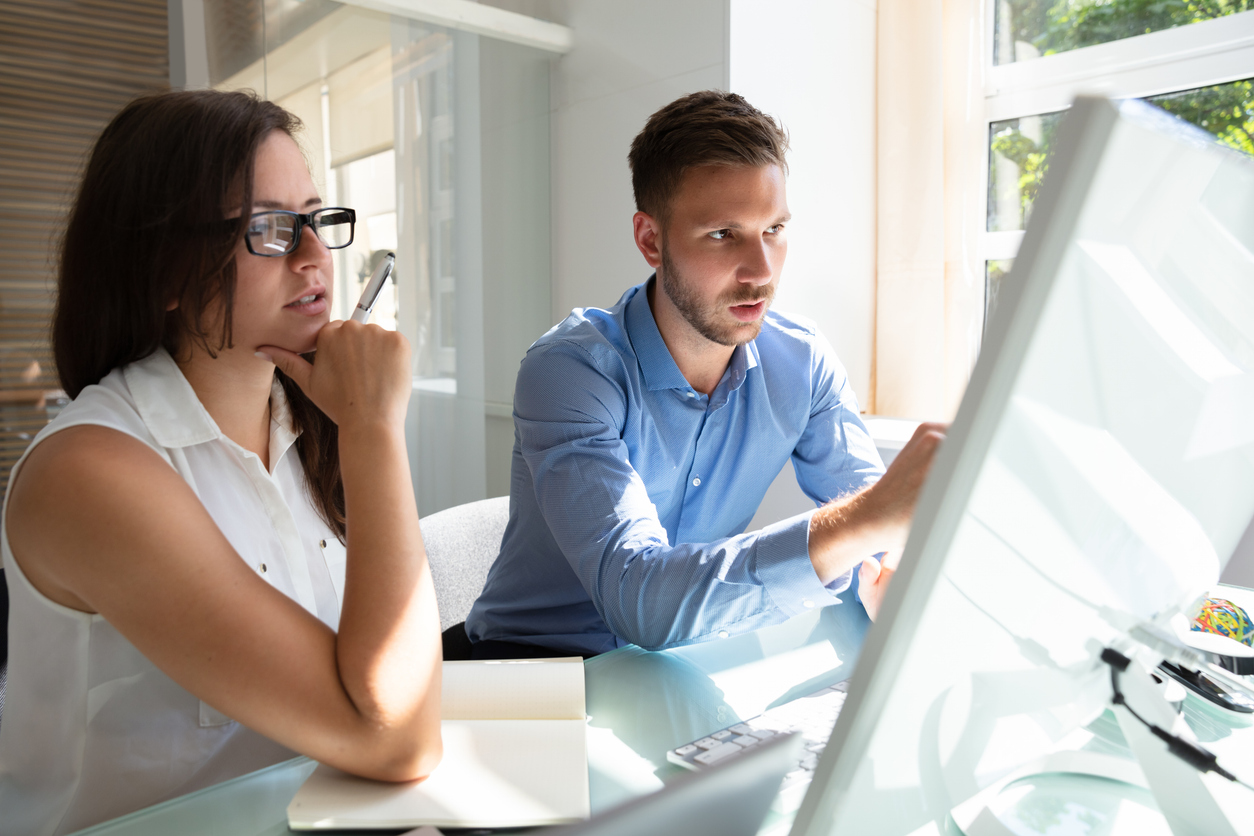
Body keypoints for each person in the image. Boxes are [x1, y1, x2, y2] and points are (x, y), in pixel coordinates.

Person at [0, 90, 442, 835]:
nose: (314, 258)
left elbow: (389, 702)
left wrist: (358, 429)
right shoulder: (91, 473)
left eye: (315, 219)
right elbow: (395, 738)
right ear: (167, 271)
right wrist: (376, 429)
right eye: (270, 229)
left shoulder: (309, 425)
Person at [466, 90, 945, 659]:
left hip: (678, 661)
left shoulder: (803, 360)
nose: (761, 271)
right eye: (724, 234)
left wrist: (891, 570)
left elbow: (874, 521)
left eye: (774, 230)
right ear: (651, 239)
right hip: (531, 670)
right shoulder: (571, 372)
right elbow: (639, 597)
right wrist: (867, 519)